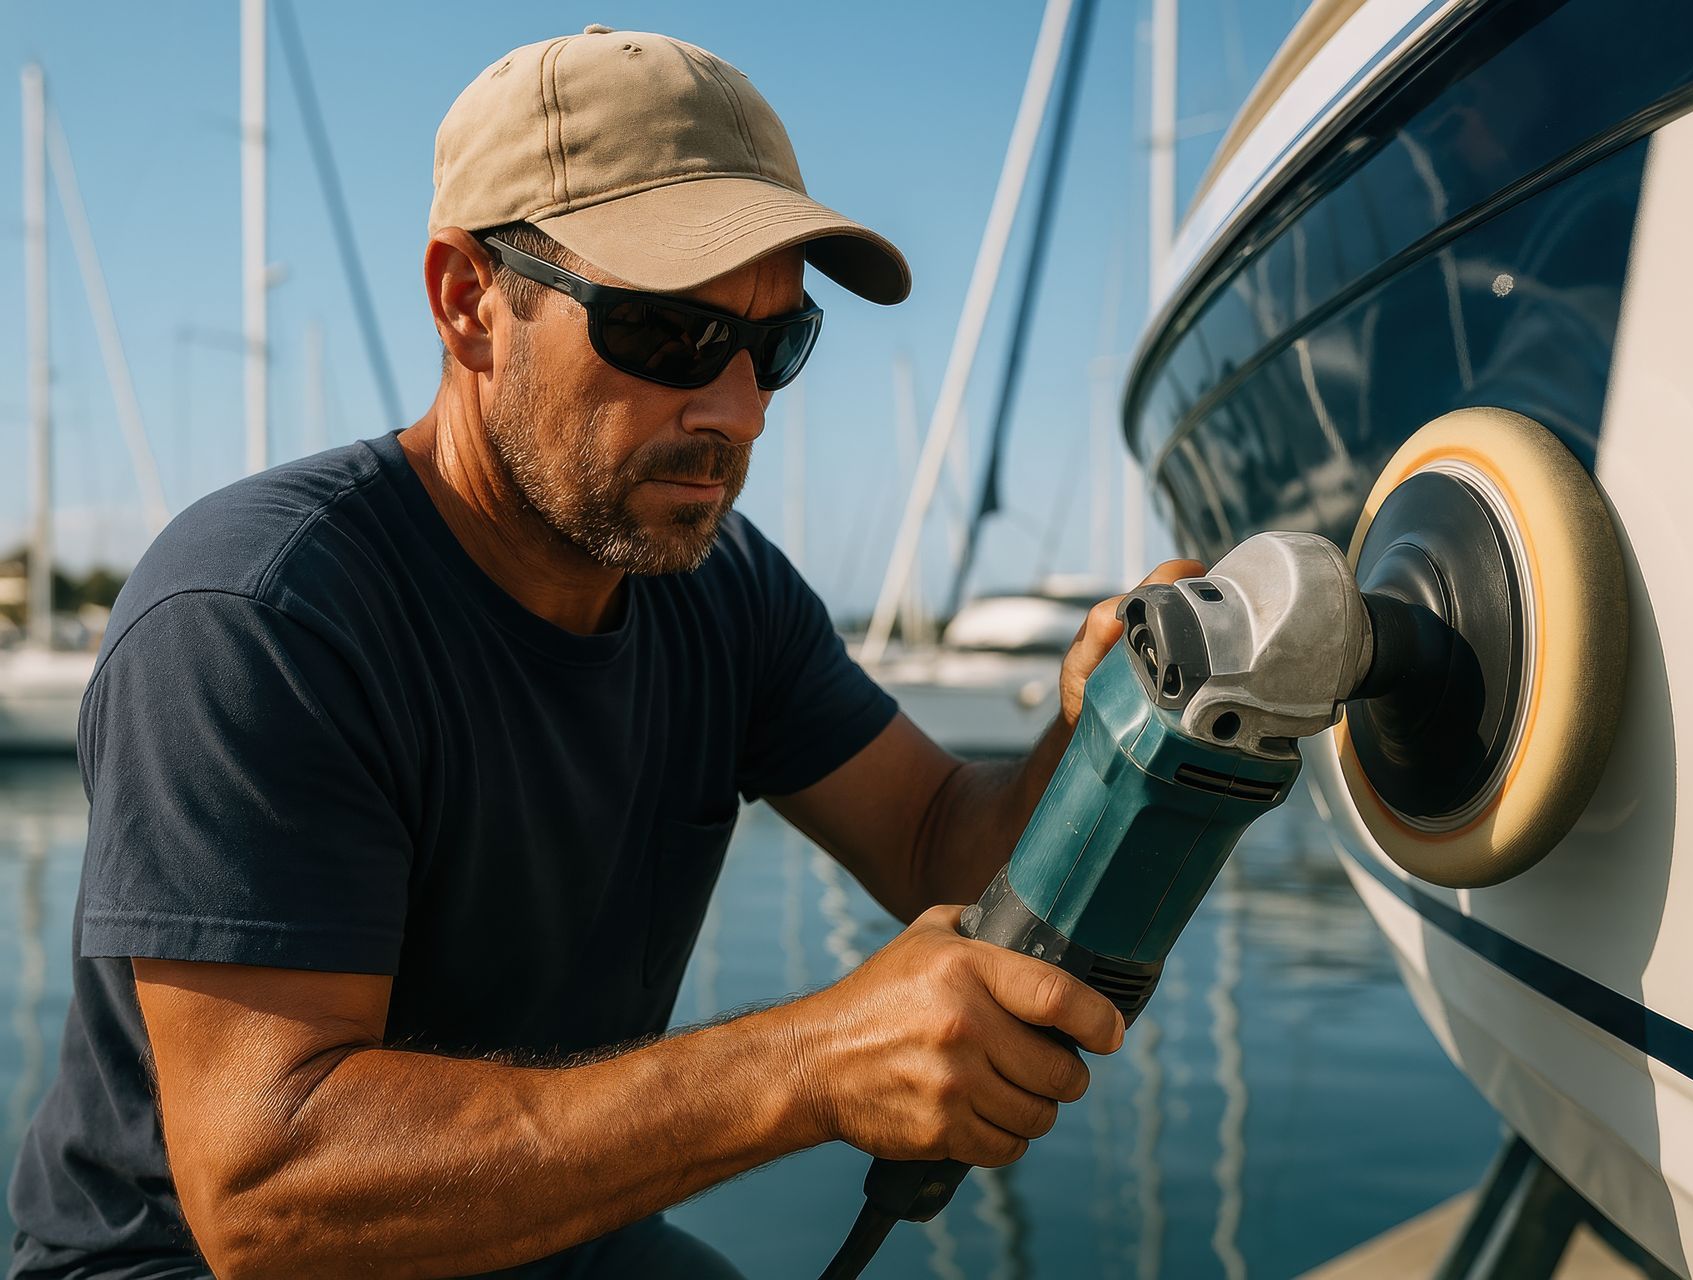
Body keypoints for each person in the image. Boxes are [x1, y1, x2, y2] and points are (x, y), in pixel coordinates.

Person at [6, 26, 1200, 1279]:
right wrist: (810, 1063)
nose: (735, 410)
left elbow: (940, 842)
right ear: (470, 300)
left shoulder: (720, 591)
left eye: (774, 345)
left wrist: (1104, 732)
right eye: (668, 336)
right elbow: (270, 1190)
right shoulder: (260, 617)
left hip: (559, 1241)